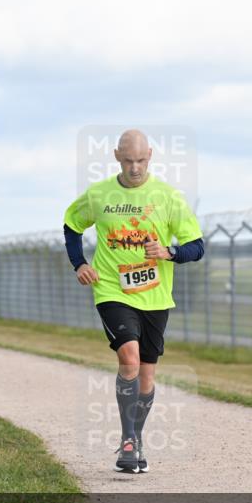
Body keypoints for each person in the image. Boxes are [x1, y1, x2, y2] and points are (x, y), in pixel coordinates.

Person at [63, 129, 205, 474]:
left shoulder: (169, 198)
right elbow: (71, 225)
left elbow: (197, 247)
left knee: (146, 375)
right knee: (129, 357)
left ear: (151, 155)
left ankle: (136, 438)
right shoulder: (99, 195)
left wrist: (170, 252)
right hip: (112, 288)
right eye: (128, 160)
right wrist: (80, 263)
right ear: (116, 156)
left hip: (155, 295)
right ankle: (128, 442)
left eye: (141, 160)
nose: (135, 168)